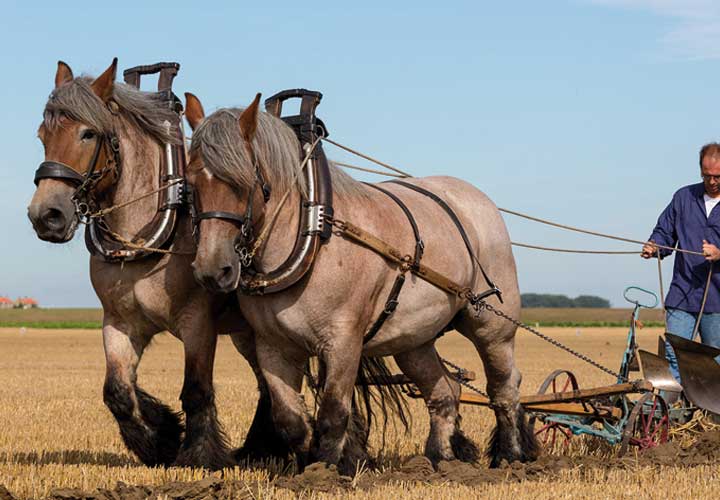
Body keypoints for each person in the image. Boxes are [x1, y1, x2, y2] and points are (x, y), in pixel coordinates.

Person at [641, 143, 720, 382]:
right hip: (682, 293)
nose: (713, 181)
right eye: (707, 176)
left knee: (715, 361)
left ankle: (713, 417)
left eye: (718, 176)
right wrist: (654, 246)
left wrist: (719, 253)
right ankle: (672, 417)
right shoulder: (683, 197)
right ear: (700, 171)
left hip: (718, 299)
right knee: (674, 356)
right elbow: (665, 232)